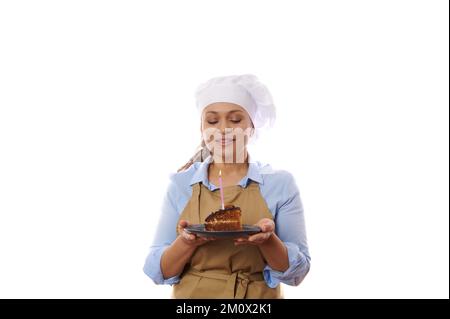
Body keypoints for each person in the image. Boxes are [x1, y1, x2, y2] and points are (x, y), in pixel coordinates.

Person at [144, 74, 310, 298]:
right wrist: (186, 243)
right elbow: (158, 271)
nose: (223, 129)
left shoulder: (279, 184)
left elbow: (298, 274)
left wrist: (268, 241)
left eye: (235, 120)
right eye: (212, 121)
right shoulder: (180, 184)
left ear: (251, 127)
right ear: (201, 128)